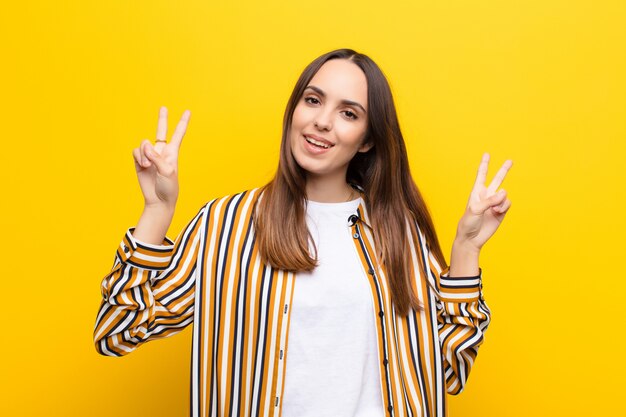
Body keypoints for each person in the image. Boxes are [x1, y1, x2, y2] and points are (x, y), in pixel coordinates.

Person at [94, 48, 513, 417]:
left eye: (349, 113)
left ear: (367, 140)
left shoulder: (396, 231)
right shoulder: (226, 224)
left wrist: (466, 249)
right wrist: (156, 210)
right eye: (313, 101)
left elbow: (447, 371)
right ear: (295, 109)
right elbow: (117, 329)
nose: (322, 122)